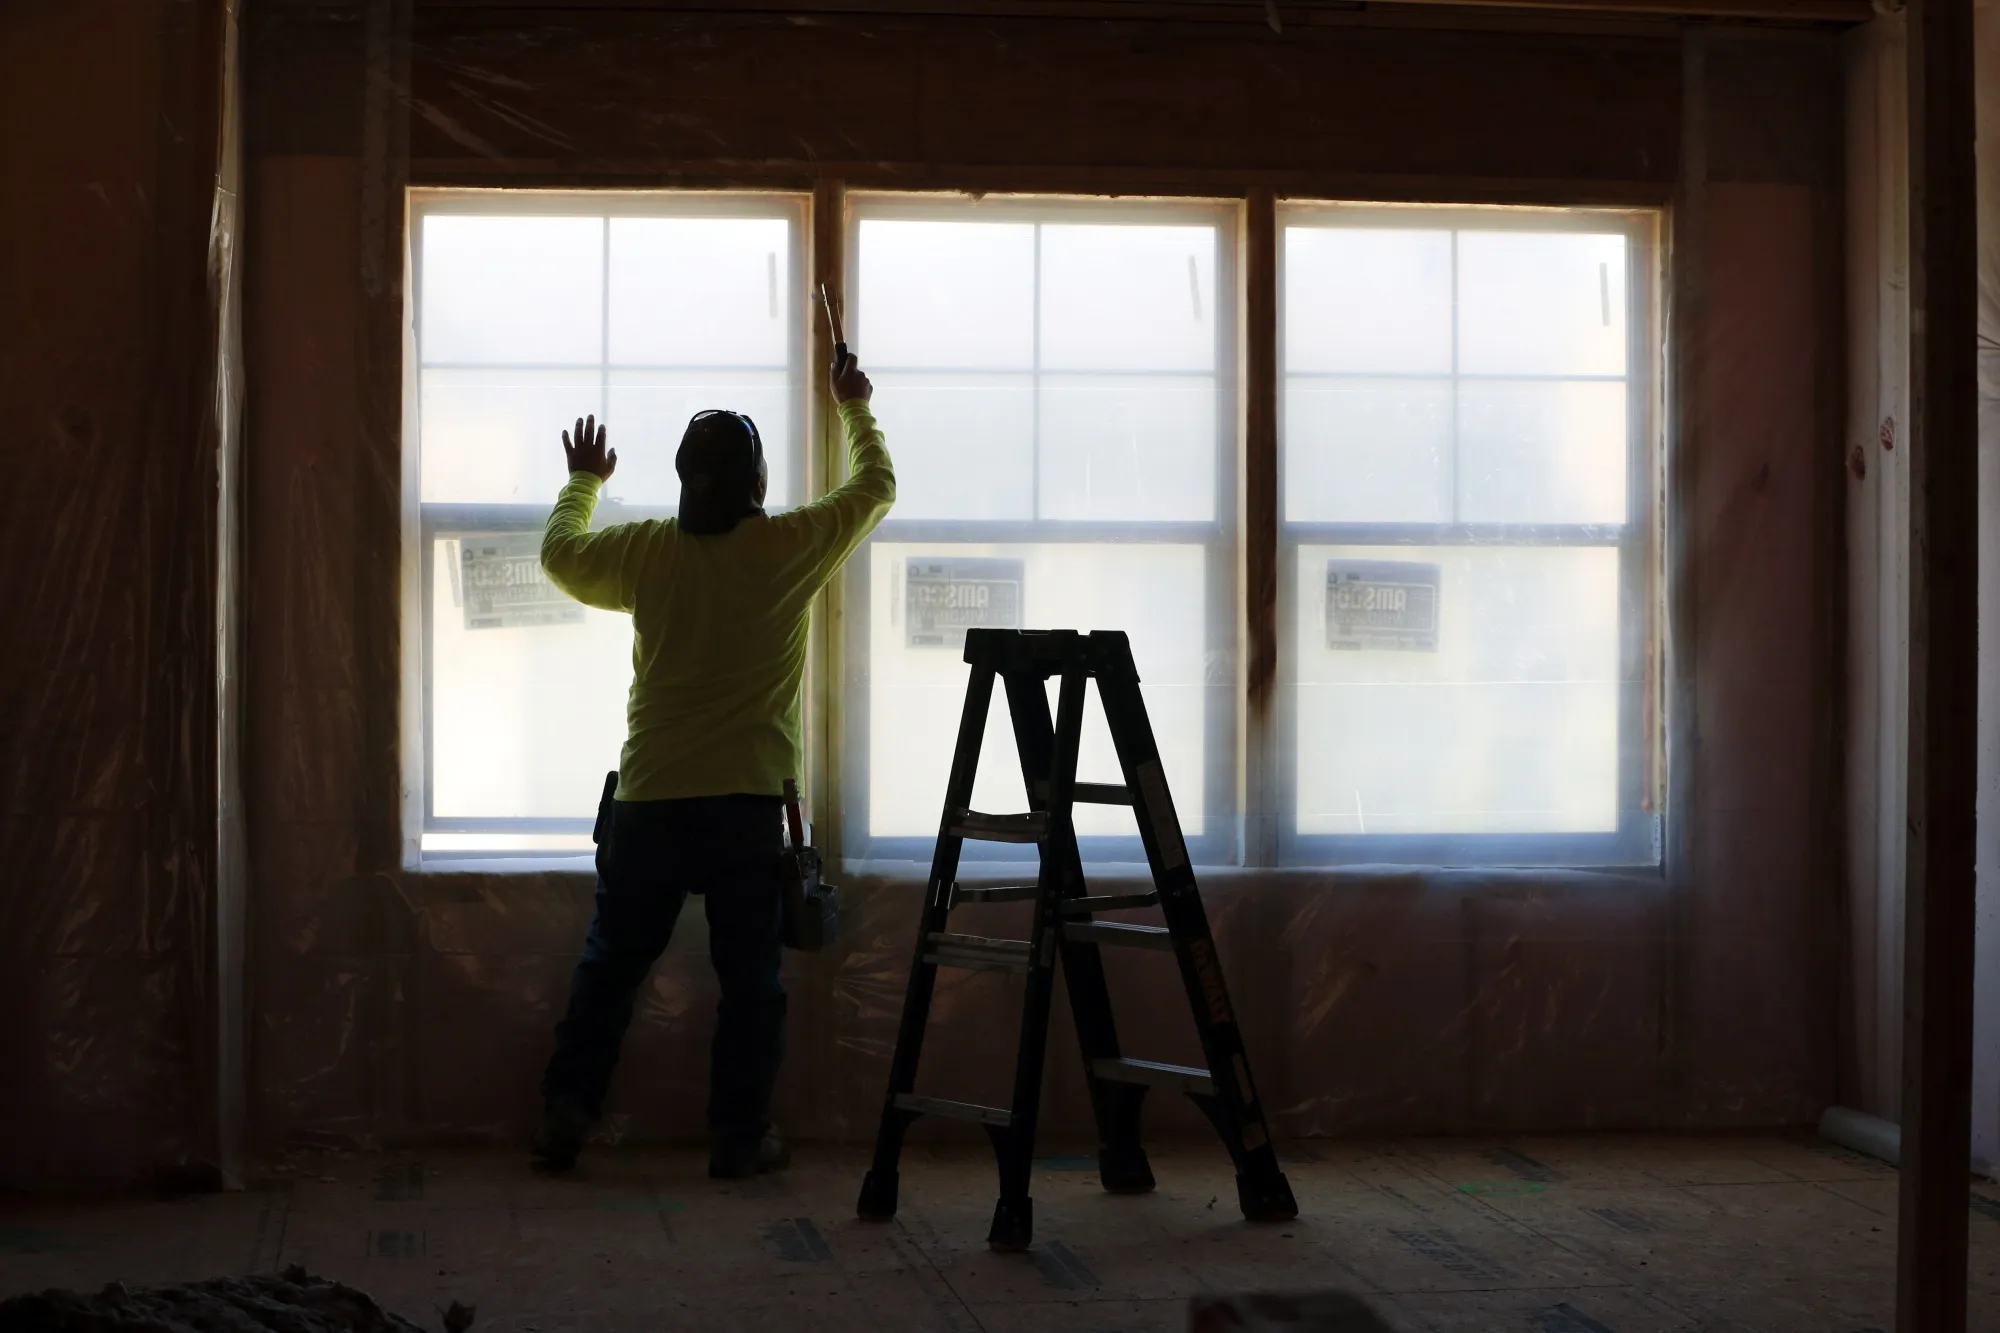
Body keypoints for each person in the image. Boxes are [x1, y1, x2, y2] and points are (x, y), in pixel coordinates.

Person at [531, 348, 891, 1177]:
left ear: (685, 479)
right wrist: (854, 405)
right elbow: (874, 490)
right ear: (760, 483)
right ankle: (738, 1138)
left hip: (650, 801)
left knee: (611, 967)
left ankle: (564, 1116)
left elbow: (559, 555)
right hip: (744, 807)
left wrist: (584, 479)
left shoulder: (649, 553)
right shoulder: (786, 548)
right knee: (751, 984)